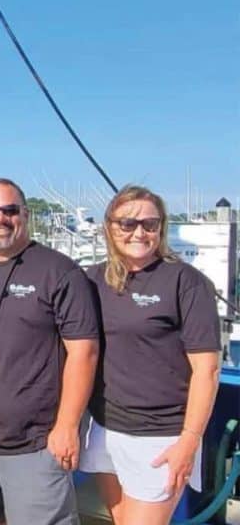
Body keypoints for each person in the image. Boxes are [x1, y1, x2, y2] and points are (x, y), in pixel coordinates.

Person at [0, 177, 100, 525]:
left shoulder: (60, 272)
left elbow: (84, 353)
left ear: (26, 214)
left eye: (9, 210)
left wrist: (67, 426)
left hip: (36, 443)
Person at [79, 185, 221, 525]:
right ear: (109, 227)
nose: (138, 232)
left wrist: (189, 441)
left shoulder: (187, 282)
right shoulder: (92, 279)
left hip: (162, 436)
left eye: (149, 224)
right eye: (127, 224)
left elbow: (208, 370)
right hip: (105, 429)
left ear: (162, 227)